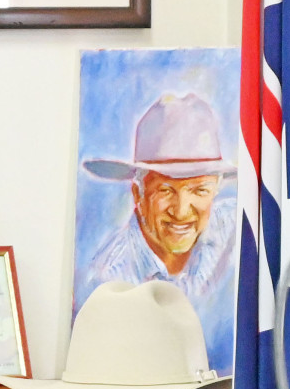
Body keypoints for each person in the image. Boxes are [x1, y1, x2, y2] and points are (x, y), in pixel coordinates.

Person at [77, 92, 244, 372]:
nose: (181, 211)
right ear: (138, 195)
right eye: (165, 190)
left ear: (216, 190)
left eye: (199, 190)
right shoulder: (108, 280)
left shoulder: (241, 229)